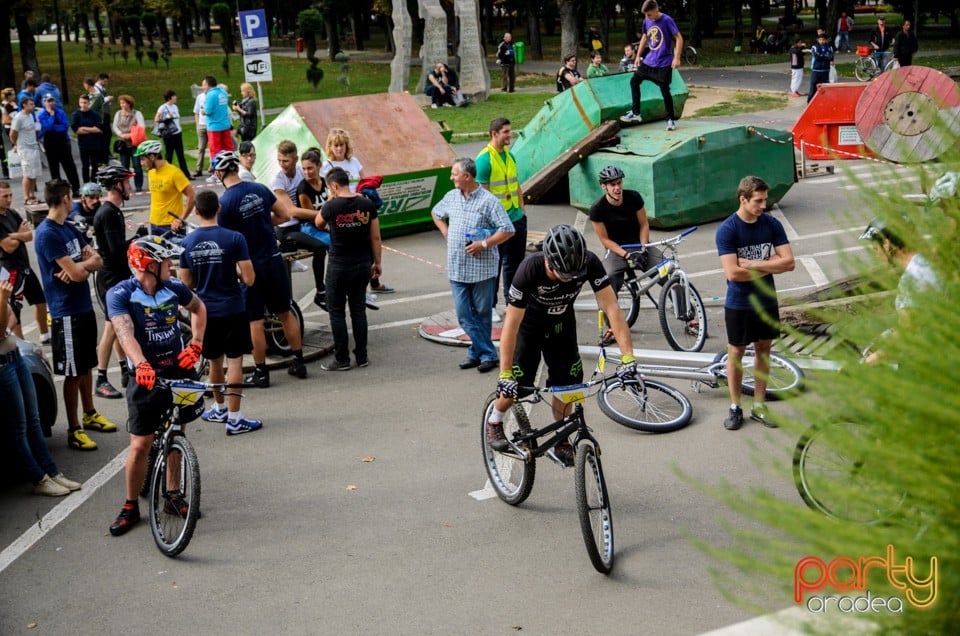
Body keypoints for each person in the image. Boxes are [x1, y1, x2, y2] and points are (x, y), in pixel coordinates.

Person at [487, 224, 637, 466]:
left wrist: (628, 357)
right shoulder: (529, 270)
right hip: (528, 328)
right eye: (564, 275)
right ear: (548, 261)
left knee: (568, 386)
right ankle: (495, 419)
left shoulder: (589, 262)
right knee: (517, 387)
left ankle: (562, 440)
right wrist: (505, 373)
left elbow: (612, 308)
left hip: (561, 326)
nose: (570, 280)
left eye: (574, 276)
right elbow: (511, 327)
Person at [105, 235, 207, 536]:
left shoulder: (174, 287)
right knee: (140, 445)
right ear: (149, 264)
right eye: (165, 261)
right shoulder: (120, 293)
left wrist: (197, 343)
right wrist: (141, 364)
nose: (170, 265)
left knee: (178, 431)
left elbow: (199, 309)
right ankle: (129, 505)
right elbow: (125, 334)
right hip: (145, 375)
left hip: (178, 369)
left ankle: (172, 496)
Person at [32, 179, 118, 451]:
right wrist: (81, 267)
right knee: (71, 372)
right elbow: (82, 271)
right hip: (65, 311)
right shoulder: (47, 233)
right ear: (67, 198)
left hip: (81, 307)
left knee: (86, 364)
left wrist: (79, 267)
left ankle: (89, 413)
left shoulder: (68, 228)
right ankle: (73, 429)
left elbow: (96, 260)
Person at [211, 150, 308, 385]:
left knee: (255, 320)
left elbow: (224, 240)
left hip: (250, 265)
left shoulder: (224, 204)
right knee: (284, 311)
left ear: (220, 173)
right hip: (273, 257)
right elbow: (284, 215)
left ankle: (261, 372)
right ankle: (298, 362)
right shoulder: (260, 188)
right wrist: (265, 221)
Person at [715, 176, 795, 430]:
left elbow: (790, 263)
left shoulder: (771, 224)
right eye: (758, 201)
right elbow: (733, 274)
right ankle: (736, 406)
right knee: (736, 353)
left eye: (765, 200)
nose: (763, 205)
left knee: (764, 350)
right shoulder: (728, 229)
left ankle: (759, 405)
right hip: (739, 303)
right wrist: (771, 266)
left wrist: (754, 264)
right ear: (743, 199)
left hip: (766, 300)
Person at [180, 189, 261, 434]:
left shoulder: (188, 242)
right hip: (233, 307)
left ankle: (219, 408)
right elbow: (249, 279)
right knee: (235, 360)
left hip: (205, 311)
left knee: (214, 360)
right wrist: (233, 272)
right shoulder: (235, 238)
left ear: (195, 210)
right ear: (219, 208)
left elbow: (187, 284)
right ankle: (235, 419)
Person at [432, 157, 514, 374]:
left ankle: (475, 352)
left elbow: (507, 229)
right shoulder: (451, 197)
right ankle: (487, 352)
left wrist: (484, 244)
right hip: (457, 267)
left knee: (482, 313)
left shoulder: (488, 201)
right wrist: (446, 232)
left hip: (482, 269)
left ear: (467, 177)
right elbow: (436, 213)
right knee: (464, 314)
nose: (451, 178)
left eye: (454, 174)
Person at [0, 279, 82, 497]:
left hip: (15, 356)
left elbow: (11, 316)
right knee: (19, 425)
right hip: (3, 366)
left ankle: (52, 472)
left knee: (33, 419)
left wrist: (6, 320)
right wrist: (2, 301)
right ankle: (38, 478)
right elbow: (0, 331)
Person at [315, 167, 384, 370]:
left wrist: (329, 201)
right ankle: (362, 356)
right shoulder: (366, 203)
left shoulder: (331, 207)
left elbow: (318, 222)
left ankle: (342, 358)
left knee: (336, 312)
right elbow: (376, 236)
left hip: (339, 265)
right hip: (362, 263)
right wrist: (377, 262)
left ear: (334, 186)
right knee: (358, 310)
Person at [320, 127, 394, 295]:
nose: (339, 149)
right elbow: (328, 191)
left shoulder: (354, 162)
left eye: (342, 145)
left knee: (368, 242)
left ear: (347, 146)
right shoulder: (326, 167)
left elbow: (364, 181)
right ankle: (343, 284)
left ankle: (374, 279)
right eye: (335, 145)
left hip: (358, 204)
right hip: (339, 208)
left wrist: (363, 193)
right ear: (330, 147)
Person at [859, 218, 938, 366]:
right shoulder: (926, 263)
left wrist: (868, 362)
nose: (876, 255)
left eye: (876, 249)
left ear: (887, 245)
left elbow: (907, 332)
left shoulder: (910, 280)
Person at [476, 117, 526, 323]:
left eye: (509, 131)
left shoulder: (509, 156)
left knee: (515, 264)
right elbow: (483, 195)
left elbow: (516, 186)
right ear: (494, 133)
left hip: (516, 218)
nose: (510, 135)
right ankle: (490, 306)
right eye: (506, 131)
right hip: (498, 223)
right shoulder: (484, 160)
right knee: (494, 266)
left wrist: (522, 211)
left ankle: (512, 302)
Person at [92, 165, 136, 398]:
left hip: (117, 275)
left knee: (120, 325)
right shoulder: (108, 213)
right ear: (117, 184)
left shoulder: (113, 210)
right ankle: (100, 378)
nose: (130, 186)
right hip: (110, 278)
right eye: (127, 182)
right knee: (111, 327)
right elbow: (116, 251)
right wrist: (137, 242)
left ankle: (124, 370)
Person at [271, 140, 328, 310]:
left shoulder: (302, 170)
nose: (282, 165)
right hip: (287, 229)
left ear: (295, 159)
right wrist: (325, 213)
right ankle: (321, 291)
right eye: (279, 160)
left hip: (305, 223)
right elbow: (291, 211)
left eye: (286, 161)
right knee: (319, 247)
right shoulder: (278, 181)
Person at [588, 165, 654, 294]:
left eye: (619, 183)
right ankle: (609, 312)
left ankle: (683, 309)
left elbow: (644, 224)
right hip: (616, 250)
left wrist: (643, 248)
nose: (617, 188)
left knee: (667, 270)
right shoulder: (597, 209)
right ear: (604, 186)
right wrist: (627, 255)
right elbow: (605, 240)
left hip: (637, 244)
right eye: (612, 185)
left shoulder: (634, 197)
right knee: (608, 279)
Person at [620, 0, 683, 131]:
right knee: (634, 81)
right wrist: (637, 56)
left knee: (665, 90)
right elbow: (644, 37)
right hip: (649, 61)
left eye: (649, 14)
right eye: (645, 15)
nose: (647, 17)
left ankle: (670, 119)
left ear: (656, 9)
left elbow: (679, 38)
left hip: (664, 62)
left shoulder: (667, 20)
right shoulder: (646, 21)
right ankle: (636, 112)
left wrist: (677, 58)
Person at [0, 180, 50, 344]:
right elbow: (8, 247)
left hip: (24, 266)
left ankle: (44, 335)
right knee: (15, 307)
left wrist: (15, 235)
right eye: (5, 196)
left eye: (10, 195)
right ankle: (20, 342)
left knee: (40, 300)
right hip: (10, 269)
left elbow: (29, 235)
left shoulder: (12, 213)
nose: (9, 199)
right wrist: (18, 235)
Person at [135, 140, 195, 234]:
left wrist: (181, 220)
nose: (141, 163)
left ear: (152, 156)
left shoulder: (174, 173)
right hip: (154, 224)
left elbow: (192, 195)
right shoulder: (151, 172)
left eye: (143, 159)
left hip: (172, 226)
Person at [297, 147, 330, 308]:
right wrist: (330, 227)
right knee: (329, 243)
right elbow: (312, 217)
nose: (307, 172)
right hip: (309, 225)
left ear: (319, 166)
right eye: (304, 169)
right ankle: (322, 288)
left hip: (325, 223)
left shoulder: (325, 182)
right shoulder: (303, 189)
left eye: (310, 168)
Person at [37, 94, 81, 197]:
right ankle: (57, 191)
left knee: (69, 166)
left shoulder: (60, 112)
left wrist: (53, 126)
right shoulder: (42, 115)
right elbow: (47, 127)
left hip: (63, 142)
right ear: (44, 103)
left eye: (52, 101)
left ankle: (76, 188)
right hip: (50, 143)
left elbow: (64, 126)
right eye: (48, 101)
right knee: (54, 167)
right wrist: (52, 116)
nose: (51, 103)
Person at [9, 98, 42, 206]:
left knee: (34, 173)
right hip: (25, 149)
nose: (33, 106)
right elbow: (12, 133)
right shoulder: (19, 118)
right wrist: (16, 144)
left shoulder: (30, 115)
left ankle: (32, 195)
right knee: (27, 174)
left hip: (34, 147)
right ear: (24, 105)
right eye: (31, 104)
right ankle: (26, 197)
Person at [110, 94, 145, 191]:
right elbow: (115, 126)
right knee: (124, 166)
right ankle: (125, 185)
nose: (122, 105)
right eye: (121, 103)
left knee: (137, 165)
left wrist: (131, 135)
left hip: (134, 143)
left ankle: (138, 185)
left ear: (129, 104)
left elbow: (141, 127)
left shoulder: (137, 114)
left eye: (124, 103)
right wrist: (121, 134)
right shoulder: (118, 114)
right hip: (123, 143)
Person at [154, 90, 191, 176]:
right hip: (168, 134)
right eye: (174, 96)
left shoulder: (175, 107)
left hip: (177, 133)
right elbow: (156, 119)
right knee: (169, 154)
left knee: (181, 154)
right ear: (169, 98)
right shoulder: (163, 107)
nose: (176, 98)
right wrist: (166, 117)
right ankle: (167, 173)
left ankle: (186, 173)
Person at [73, 94, 105, 184]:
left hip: (95, 143)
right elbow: (77, 130)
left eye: (85, 103)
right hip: (83, 144)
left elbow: (98, 129)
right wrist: (91, 129)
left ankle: (94, 183)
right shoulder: (76, 115)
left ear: (89, 103)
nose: (83, 105)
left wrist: (84, 128)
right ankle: (86, 183)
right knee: (85, 165)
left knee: (95, 165)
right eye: (81, 102)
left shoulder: (95, 115)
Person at [203, 75, 233, 159]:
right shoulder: (223, 92)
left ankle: (217, 169)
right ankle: (230, 165)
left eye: (203, 85)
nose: (203, 87)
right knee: (228, 148)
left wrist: (203, 111)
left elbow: (208, 111)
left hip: (214, 127)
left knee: (216, 150)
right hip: (225, 125)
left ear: (208, 85)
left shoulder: (210, 94)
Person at [807, 33, 834, 104]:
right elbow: (817, 57)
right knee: (813, 87)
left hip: (825, 70)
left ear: (826, 40)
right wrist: (825, 56)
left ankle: (824, 102)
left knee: (825, 87)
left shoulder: (829, 47)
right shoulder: (814, 47)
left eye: (823, 40)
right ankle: (810, 102)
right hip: (816, 70)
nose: (822, 41)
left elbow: (830, 57)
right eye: (820, 40)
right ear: (818, 40)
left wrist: (823, 56)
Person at [192, 80, 209, 178]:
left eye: (204, 85)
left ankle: (213, 167)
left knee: (212, 147)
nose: (203, 87)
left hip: (211, 125)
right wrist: (198, 124)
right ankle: (199, 169)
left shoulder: (212, 96)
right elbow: (196, 111)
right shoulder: (200, 97)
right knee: (201, 148)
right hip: (202, 125)